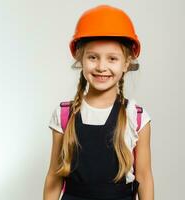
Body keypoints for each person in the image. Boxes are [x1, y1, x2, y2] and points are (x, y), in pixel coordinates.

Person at [43, 4, 154, 200]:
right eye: (93, 57)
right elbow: (54, 177)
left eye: (112, 59)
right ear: (80, 59)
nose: (102, 66)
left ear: (126, 63)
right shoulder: (64, 115)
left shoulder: (136, 118)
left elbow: (144, 177)